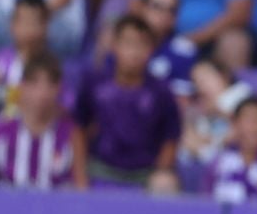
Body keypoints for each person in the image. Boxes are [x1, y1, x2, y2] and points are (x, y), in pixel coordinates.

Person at [75, 14, 180, 185]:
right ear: (114, 45)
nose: (134, 52)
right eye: (128, 43)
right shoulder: (94, 83)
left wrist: (159, 171)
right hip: (100, 168)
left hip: (145, 173)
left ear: (151, 50)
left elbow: (171, 138)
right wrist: (80, 176)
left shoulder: (161, 91)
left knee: (165, 183)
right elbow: (78, 129)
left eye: (141, 45)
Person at [0, 54, 82, 189]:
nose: (43, 92)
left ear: (59, 88)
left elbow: (81, 189)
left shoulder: (71, 134)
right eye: (35, 83)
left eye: (50, 83)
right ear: (22, 86)